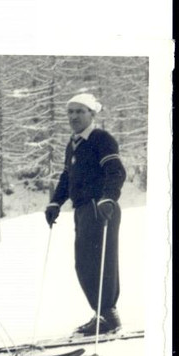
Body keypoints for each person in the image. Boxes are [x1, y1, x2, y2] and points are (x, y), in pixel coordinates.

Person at [45, 92, 127, 335]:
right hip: (82, 209)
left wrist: (108, 198)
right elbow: (67, 177)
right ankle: (101, 313)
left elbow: (116, 172)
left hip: (99, 207)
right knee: (84, 264)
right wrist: (55, 203)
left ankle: (109, 315)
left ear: (92, 114)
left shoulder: (101, 139)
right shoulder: (73, 143)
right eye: (70, 112)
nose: (73, 116)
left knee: (101, 262)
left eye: (80, 111)